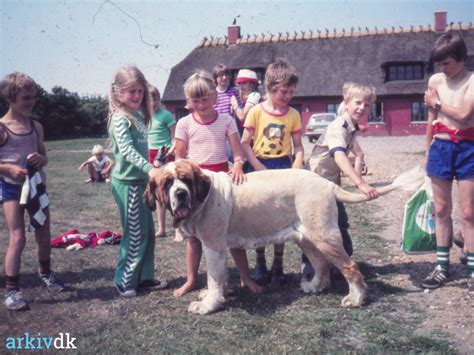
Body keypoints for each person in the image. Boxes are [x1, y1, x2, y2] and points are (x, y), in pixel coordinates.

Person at [173, 70, 263, 297]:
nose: (201, 104)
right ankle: (192, 279)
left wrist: (239, 165)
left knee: (230, 232)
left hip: (221, 185)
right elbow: (179, 159)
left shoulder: (226, 120)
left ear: (215, 97)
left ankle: (245, 277)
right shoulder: (184, 124)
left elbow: (238, 152)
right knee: (194, 237)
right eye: (195, 100)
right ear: (188, 101)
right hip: (196, 185)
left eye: (205, 99)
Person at [0, 72, 64, 311]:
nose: (31, 102)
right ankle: (12, 290)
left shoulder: (35, 126)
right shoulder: (2, 128)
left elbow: (44, 157)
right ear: (10, 97)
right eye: (26, 97)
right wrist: (6, 168)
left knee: (44, 233)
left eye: (34, 97)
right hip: (11, 189)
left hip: (36, 187)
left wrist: (40, 159)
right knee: (18, 236)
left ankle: (46, 272)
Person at [241, 59, 305, 286]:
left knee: (281, 216)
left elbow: (298, 145)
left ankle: (278, 265)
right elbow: (245, 143)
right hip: (258, 166)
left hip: (282, 166)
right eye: (283, 92)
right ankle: (260, 263)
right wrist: (257, 166)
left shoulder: (294, 115)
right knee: (258, 215)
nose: (288, 96)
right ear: (269, 88)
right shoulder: (256, 112)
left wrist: (298, 160)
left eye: (291, 92)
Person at [306, 82, 379, 280]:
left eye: (367, 105)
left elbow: (353, 154)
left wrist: (359, 161)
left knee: (340, 223)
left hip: (330, 184)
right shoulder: (338, 126)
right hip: (315, 184)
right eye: (358, 103)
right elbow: (339, 156)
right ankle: (310, 269)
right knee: (315, 227)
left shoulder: (350, 128)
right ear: (345, 103)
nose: (362, 108)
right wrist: (360, 184)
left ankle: (341, 261)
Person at [107, 65, 168, 297]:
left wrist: (157, 161)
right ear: (118, 93)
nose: (136, 96)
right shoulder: (120, 119)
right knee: (134, 233)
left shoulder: (140, 116)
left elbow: (143, 150)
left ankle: (144, 278)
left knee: (148, 233)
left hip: (141, 182)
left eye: (140, 91)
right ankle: (124, 280)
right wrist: (149, 169)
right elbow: (127, 151)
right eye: (130, 91)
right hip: (128, 184)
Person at [421, 32, 474, 292]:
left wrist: (437, 102)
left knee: (469, 212)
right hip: (441, 146)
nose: (443, 67)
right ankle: (442, 267)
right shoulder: (435, 80)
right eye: (440, 63)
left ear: (461, 58)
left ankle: (473, 270)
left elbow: (464, 115)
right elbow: (432, 117)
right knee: (441, 211)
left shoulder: (472, 80)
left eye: (448, 62)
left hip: (468, 147)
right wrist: (427, 150)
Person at [147, 84, 176, 238]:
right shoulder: (144, 117)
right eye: (150, 99)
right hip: (151, 156)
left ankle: (179, 228)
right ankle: (162, 229)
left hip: (165, 154)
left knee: (172, 190)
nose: (153, 102)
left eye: (156, 98)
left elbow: (174, 136)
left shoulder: (166, 115)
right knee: (158, 192)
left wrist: (169, 151)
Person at [231, 69, 261, 134]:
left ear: (252, 84)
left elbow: (242, 117)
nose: (241, 86)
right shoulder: (247, 98)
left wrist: (234, 104)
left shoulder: (254, 95)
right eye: (240, 83)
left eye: (244, 83)